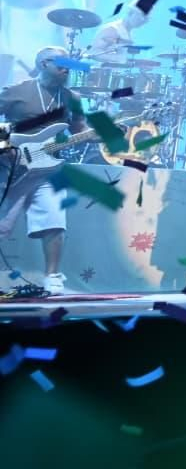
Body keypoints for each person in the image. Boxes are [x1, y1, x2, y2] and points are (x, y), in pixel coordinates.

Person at [0, 46, 89, 297]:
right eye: (59, 62)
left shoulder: (72, 98)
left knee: (54, 222)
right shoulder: (16, 92)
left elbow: (79, 130)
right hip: (11, 170)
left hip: (48, 170)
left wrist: (104, 133)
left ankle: (52, 278)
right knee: (2, 226)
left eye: (69, 63)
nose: (65, 67)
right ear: (42, 64)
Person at [87, 0, 161, 61]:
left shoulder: (130, 33)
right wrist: (121, 59)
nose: (143, 21)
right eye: (141, 17)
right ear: (130, 12)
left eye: (146, 19)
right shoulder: (112, 29)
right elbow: (93, 53)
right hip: (104, 73)